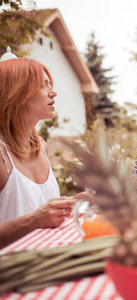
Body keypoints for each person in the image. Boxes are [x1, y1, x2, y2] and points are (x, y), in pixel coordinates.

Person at [0, 56, 80, 248]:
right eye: (43, 86)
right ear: (16, 92)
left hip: (49, 260)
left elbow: (42, 208)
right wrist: (34, 221)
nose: (53, 93)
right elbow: (37, 217)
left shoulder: (41, 146)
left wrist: (79, 200)